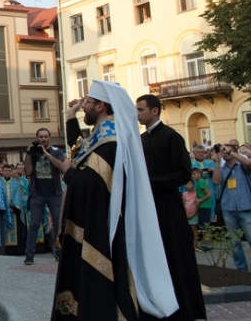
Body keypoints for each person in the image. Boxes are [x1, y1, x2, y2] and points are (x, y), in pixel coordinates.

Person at [53, 81, 177, 320]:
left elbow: (92, 184)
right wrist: (70, 117)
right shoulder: (103, 136)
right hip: (91, 223)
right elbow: (80, 150)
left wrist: (67, 172)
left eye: (88, 102)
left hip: (99, 227)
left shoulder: (110, 142)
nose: (84, 106)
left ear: (100, 106)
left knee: (96, 287)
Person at [136, 94, 206, 320]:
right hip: (148, 207)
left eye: (141, 110)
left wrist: (151, 183)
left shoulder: (171, 137)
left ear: (154, 111)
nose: (138, 114)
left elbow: (183, 173)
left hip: (168, 206)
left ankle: (181, 307)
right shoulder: (141, 139)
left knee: (173, 255)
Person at [23, 128, 66, 265]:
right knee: (34, 224)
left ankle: (59, 252)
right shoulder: (33, 152)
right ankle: (29, 255)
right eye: (41, 137)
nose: (43, 139)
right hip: (37, 194)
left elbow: (62, 167)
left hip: (54, 193)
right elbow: (28, 171)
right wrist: (29, 154)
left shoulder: (56, 152)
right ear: (36, 137)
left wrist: (47, 154)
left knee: (58, 224)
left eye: (46, 136)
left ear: (50, 138)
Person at [212, 144, 251, 271]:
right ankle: (242, 269)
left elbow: (249, 164)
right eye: (222, 151)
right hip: (228, 208)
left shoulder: (242, 167)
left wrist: (231, 152)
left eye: (227, 151)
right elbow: (216, 181)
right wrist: (217, 163)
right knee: (234, 241)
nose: (225, 153)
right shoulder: (222, 169)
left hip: (245, 207)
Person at [2, 164, 26, 255]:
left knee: (16, 231)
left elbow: (18, 196)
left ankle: (17, 250)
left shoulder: (16, 182)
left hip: (15, 211)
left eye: (9, 170)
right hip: (4, 211)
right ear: (3, 171)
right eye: (6, 170)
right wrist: (6, 207)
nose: (8, 172)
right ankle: (6, 250)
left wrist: (13, 207)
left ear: (11, 172)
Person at [191, 167, 212, 251]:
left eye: (194, 174)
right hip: (202, 207)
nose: (193, 176)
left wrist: (200, 200)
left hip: (205, 206)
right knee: (203, 226)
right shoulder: (198, 183)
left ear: (199, 174)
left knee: (205, 227)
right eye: (192, 174)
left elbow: (208, 194)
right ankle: (206, 244)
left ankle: (208, 245)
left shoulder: (201, 182)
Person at [182, 180, 199, 251]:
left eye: (190, 183)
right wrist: (185, 214)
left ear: (193, 184)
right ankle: (188, 243)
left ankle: (195, 243)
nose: (188, 185)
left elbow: (197, 205)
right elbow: (183, 204)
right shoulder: (185, 194)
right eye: (186, 184)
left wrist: (193, 214)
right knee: (187, 229)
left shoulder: (196, 193)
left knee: (194, 229)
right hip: (186, 214)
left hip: (194, 213)